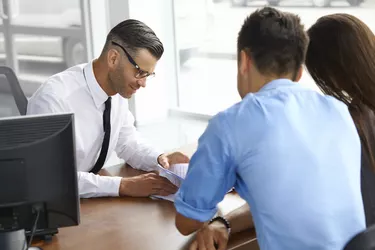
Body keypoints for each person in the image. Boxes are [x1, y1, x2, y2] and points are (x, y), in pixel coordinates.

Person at [174, 7, 366, 250]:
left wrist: (213, 202)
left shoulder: (230, 124)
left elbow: (187, 221)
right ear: (298, 73)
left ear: (244, 60)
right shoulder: (337, 111)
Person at [27, 19, 189, 199]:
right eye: (140, 72)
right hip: (54, 203)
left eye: (148, 75)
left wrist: (159, 159)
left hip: (87, 200)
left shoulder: (117, 91)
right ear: (113, 59)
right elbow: (52, 178)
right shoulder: (54, 99)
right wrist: (123, 185)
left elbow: (128, 142)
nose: (143, 83)